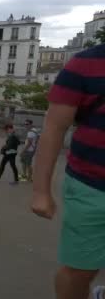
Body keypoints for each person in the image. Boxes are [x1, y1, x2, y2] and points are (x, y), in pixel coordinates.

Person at [31, 43, 105, 299]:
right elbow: (53, 128)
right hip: (92, 187)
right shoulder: (85, 64)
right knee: (79, 271)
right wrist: (41, 191)